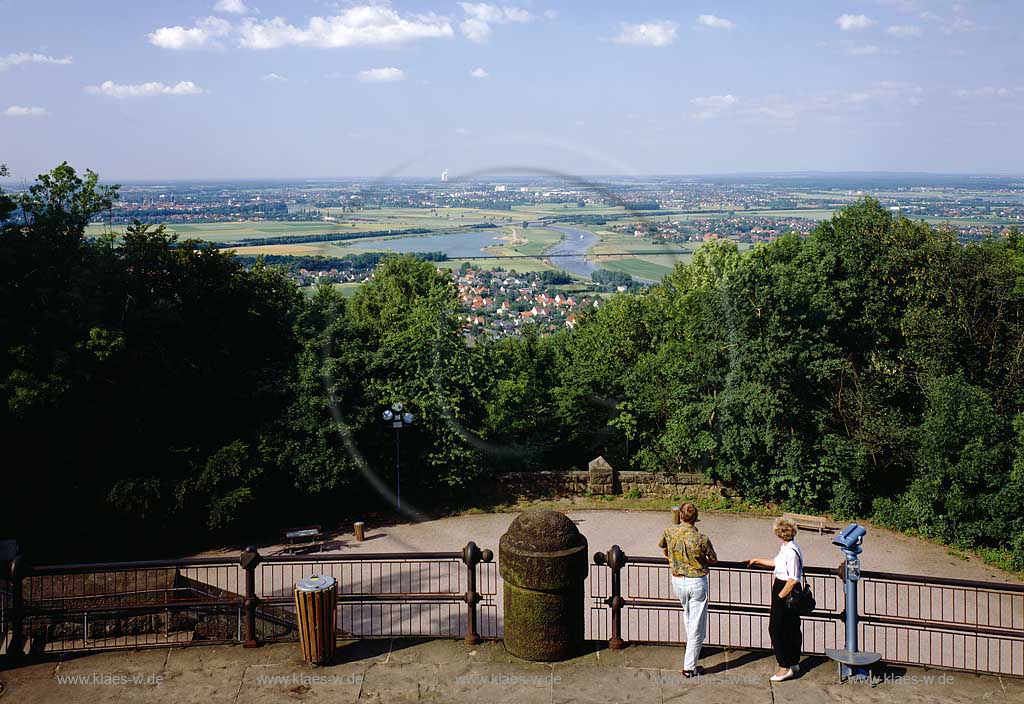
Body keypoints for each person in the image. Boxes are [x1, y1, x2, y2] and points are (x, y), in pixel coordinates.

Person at [658, 502, 718, 678]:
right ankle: (689, 667)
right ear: (695, 518)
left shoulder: (669, 532)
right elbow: (713, 559)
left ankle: (694, 649)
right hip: (696, 581)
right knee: (697, 625)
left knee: (688, 615)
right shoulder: (701, 538)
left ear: (681, 516)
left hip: (677, 580)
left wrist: (675, 559)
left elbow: (664, 549)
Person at [747, 517, 804, 682]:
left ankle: (784, 667)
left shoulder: (791, 551)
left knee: (776, 629)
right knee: (791, 627)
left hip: (785, 589)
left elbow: (793, 578)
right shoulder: (788, 547)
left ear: (779, 534)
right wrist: (757, 560)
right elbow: (777, 563)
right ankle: (793, 662)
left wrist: (779, 597)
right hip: (784, 587)